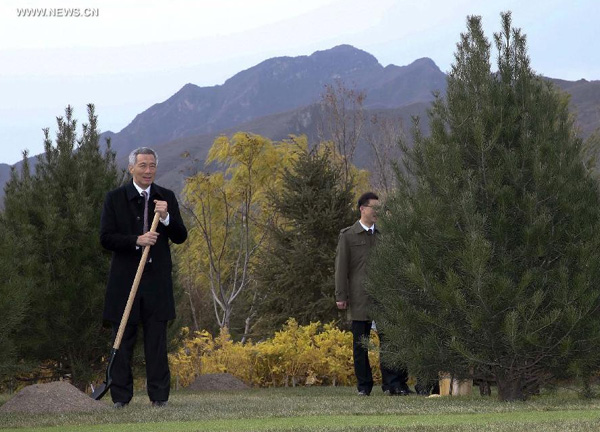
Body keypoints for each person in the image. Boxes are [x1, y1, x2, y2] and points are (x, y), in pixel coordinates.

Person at [100, 147, 187, 408]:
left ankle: (159, 398)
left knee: (156, 343)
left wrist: (167, 217)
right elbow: (105, 238)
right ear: (131, 168)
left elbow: (181, 236)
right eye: (142, 165)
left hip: (156, 283)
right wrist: (136, 240)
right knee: (123, 340)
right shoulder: (115, 198)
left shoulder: (165, 197)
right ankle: (120, 398)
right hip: (126, 281)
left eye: (152, 166)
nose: (148, 170)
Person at [335, 192, 410, 396]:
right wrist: (340, 296)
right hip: (360, 299)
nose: (377, 212)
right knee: (361, 345)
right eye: (373, 208)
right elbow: (341, 268)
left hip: (384, 297)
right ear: (362, 209)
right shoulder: (349, 235)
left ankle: (392, 384)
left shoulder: (384, 234)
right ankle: (364, 387)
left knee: (389, 342)